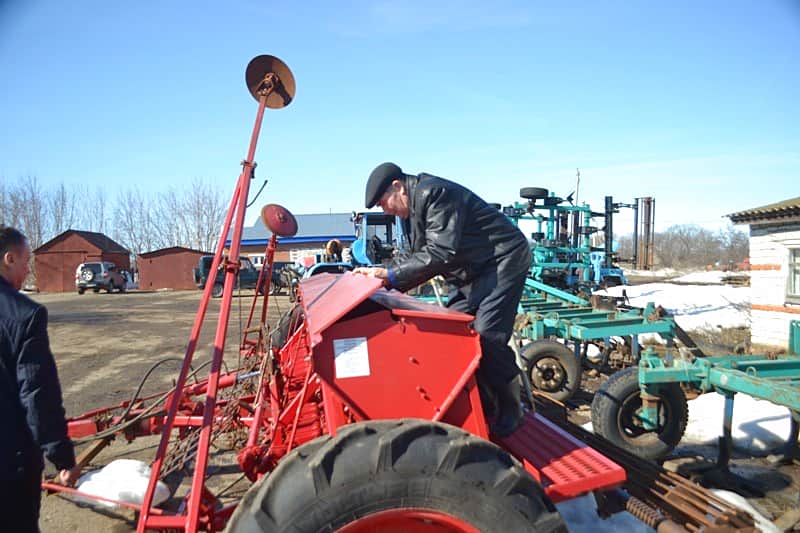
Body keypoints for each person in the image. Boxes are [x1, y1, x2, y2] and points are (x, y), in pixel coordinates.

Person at [353, 163, 533, 437]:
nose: (384, 209)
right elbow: (413, 256)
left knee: (487, 334)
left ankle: (512, 406)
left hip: (502, 260)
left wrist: (390, 276)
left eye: (383, 202)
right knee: (453, 333)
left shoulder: (435, 194)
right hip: (473, 270)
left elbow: (439, 253)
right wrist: (381, 280)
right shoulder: (408, 212)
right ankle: (483, 398)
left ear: (398, 187)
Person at [0, 226, 80, 532]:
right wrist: (62, 458)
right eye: (25, 261)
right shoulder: (24, 316)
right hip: (10, 468)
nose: (27, 269)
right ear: (9, 259)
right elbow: (37, 395)